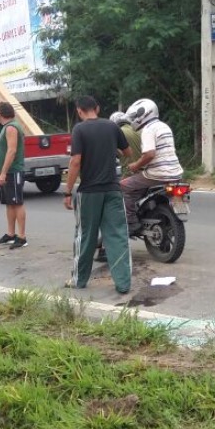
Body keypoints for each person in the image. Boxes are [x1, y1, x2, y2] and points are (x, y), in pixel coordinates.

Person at [63, 95, 132, 294]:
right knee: (117, 235)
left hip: (89, 192)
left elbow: (75, 162)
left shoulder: (79, 129)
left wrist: (68, 191)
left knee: (85, 236)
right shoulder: (112, 127)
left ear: (79, 111)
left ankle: (79, 280)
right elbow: (127, 152)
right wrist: (112, 152)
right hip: (112, 189)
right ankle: (123, 284)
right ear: (98, 108)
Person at [121, 98, 183, 234]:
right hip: (176, 173)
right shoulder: (163, 126)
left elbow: (149, 154)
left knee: (124, 186)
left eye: (134, 117)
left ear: (144, 115)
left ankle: (131, 222)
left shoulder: (148, 129)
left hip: (158, 174)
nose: (133, 120)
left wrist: (135, 166)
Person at [94, 111, 141, 262]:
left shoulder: (117, 133)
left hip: (130, 174)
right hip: (145, 173)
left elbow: (115, 153)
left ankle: (107, 249)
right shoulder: (138, 130)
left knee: (112, 210)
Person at [0, 102, 28, 249]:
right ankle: (11, 234)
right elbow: (2, 153)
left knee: (17, 203)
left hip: (13, 171)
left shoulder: (11, 127)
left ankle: (22, 237)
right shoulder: (7, 127)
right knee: (9, 203)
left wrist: (4, 173)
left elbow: (11, 151)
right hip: (7, 172)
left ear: (0, 113)